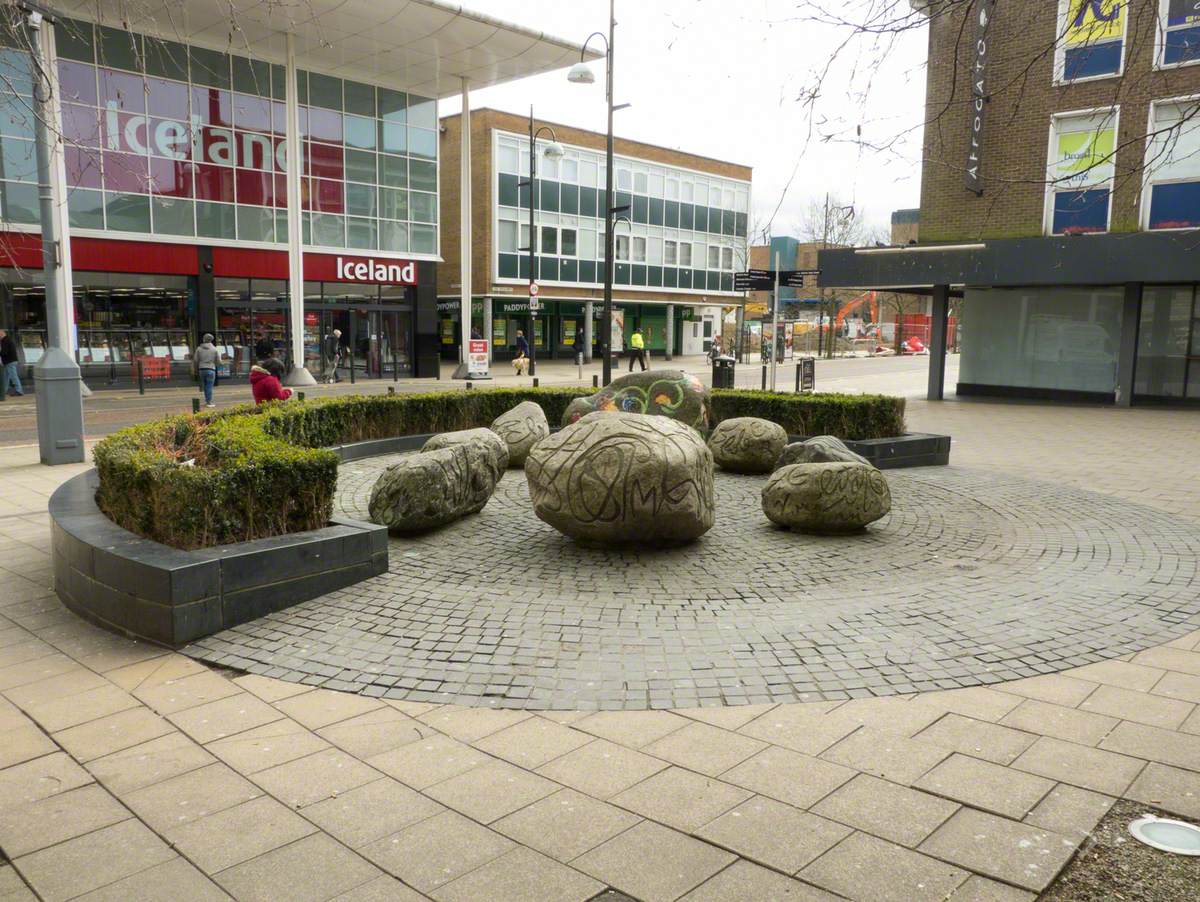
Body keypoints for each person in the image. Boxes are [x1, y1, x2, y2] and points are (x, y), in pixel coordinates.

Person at [192, 333, 220, 408]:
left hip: (201, 369)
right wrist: (214, 364)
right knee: (209, 386)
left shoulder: (199, 348)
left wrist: (196, 369)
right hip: (211, 369)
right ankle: (209, 402)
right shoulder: (214, 349)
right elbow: (218, 361)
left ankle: (207, 400)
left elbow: (195, 360)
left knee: (205, 386)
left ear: (204, 339)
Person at [0, 329, 21, 399]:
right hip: (10, 361)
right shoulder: (8, 339)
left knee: (13, 376)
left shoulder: (4, 341)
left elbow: (4, 352)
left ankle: (19, 391)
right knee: (6, 377)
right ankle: (3, 391)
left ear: (1, 334)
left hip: (10, 361)